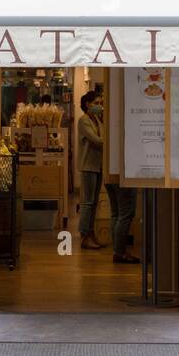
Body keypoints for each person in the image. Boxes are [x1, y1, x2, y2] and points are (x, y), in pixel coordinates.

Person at [77, 89, 104, 249]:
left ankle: (91, 233)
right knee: (87, 202)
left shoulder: (97, 119)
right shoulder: (84, 120)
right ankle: (84, 235)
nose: (99, 106)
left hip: (98, 165)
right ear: (87, 104)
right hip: (88, 165)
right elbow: (97, 140)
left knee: (93, 202)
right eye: (96, 103)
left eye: (101, 103)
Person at [105, 181, 139, 264]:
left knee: (116, 215)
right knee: (125, 215)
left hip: (109, 178)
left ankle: (117, 251)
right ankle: (120, 253)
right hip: (123, 177)